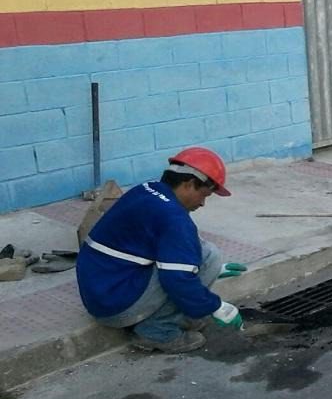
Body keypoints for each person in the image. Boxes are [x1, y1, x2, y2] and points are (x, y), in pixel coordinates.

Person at [76, 147, 245, 353]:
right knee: (204, 258)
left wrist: (214, 269)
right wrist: (217, 307)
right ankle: (157, 331)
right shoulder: (173, 218)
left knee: (203, 253)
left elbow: (168, 244)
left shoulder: (146, 189)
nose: (202, 203)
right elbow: (178, 281)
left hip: (101, 289)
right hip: (115, 305)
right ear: (189, 184)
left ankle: (180, 317)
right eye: (204, 195)